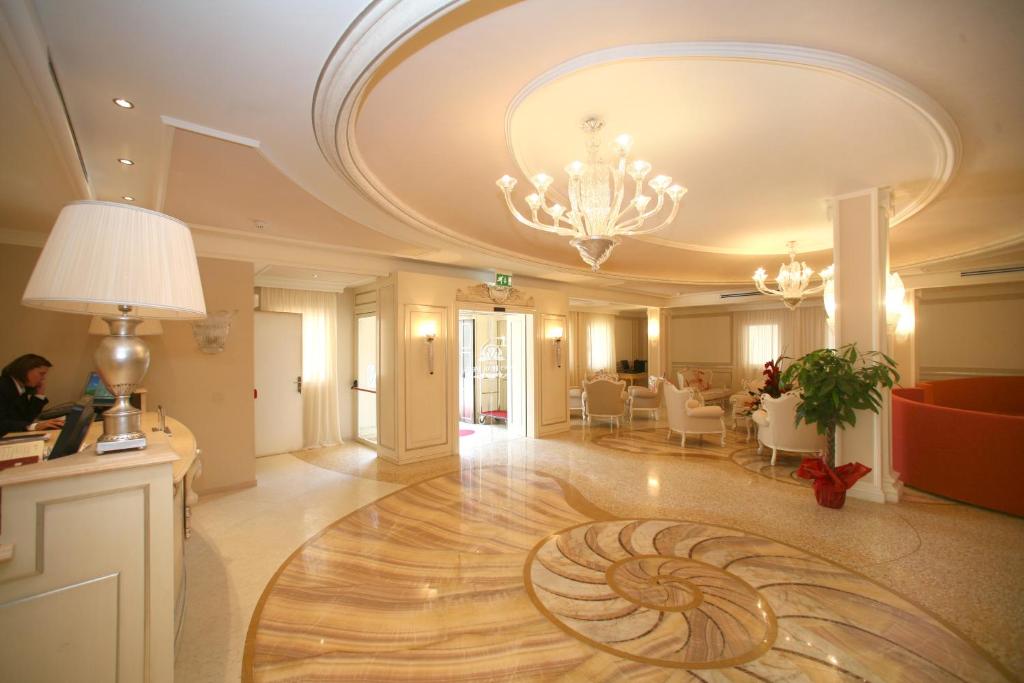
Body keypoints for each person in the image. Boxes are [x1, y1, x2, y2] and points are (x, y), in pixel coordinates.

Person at [0, 354, 64, 436]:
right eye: (41, 374)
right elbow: (2, 423)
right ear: (25, 370)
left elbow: (27, 417)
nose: (43, 378)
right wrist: (33, 426)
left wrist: (39, 395)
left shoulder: (21, 388)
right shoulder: (3, 386)